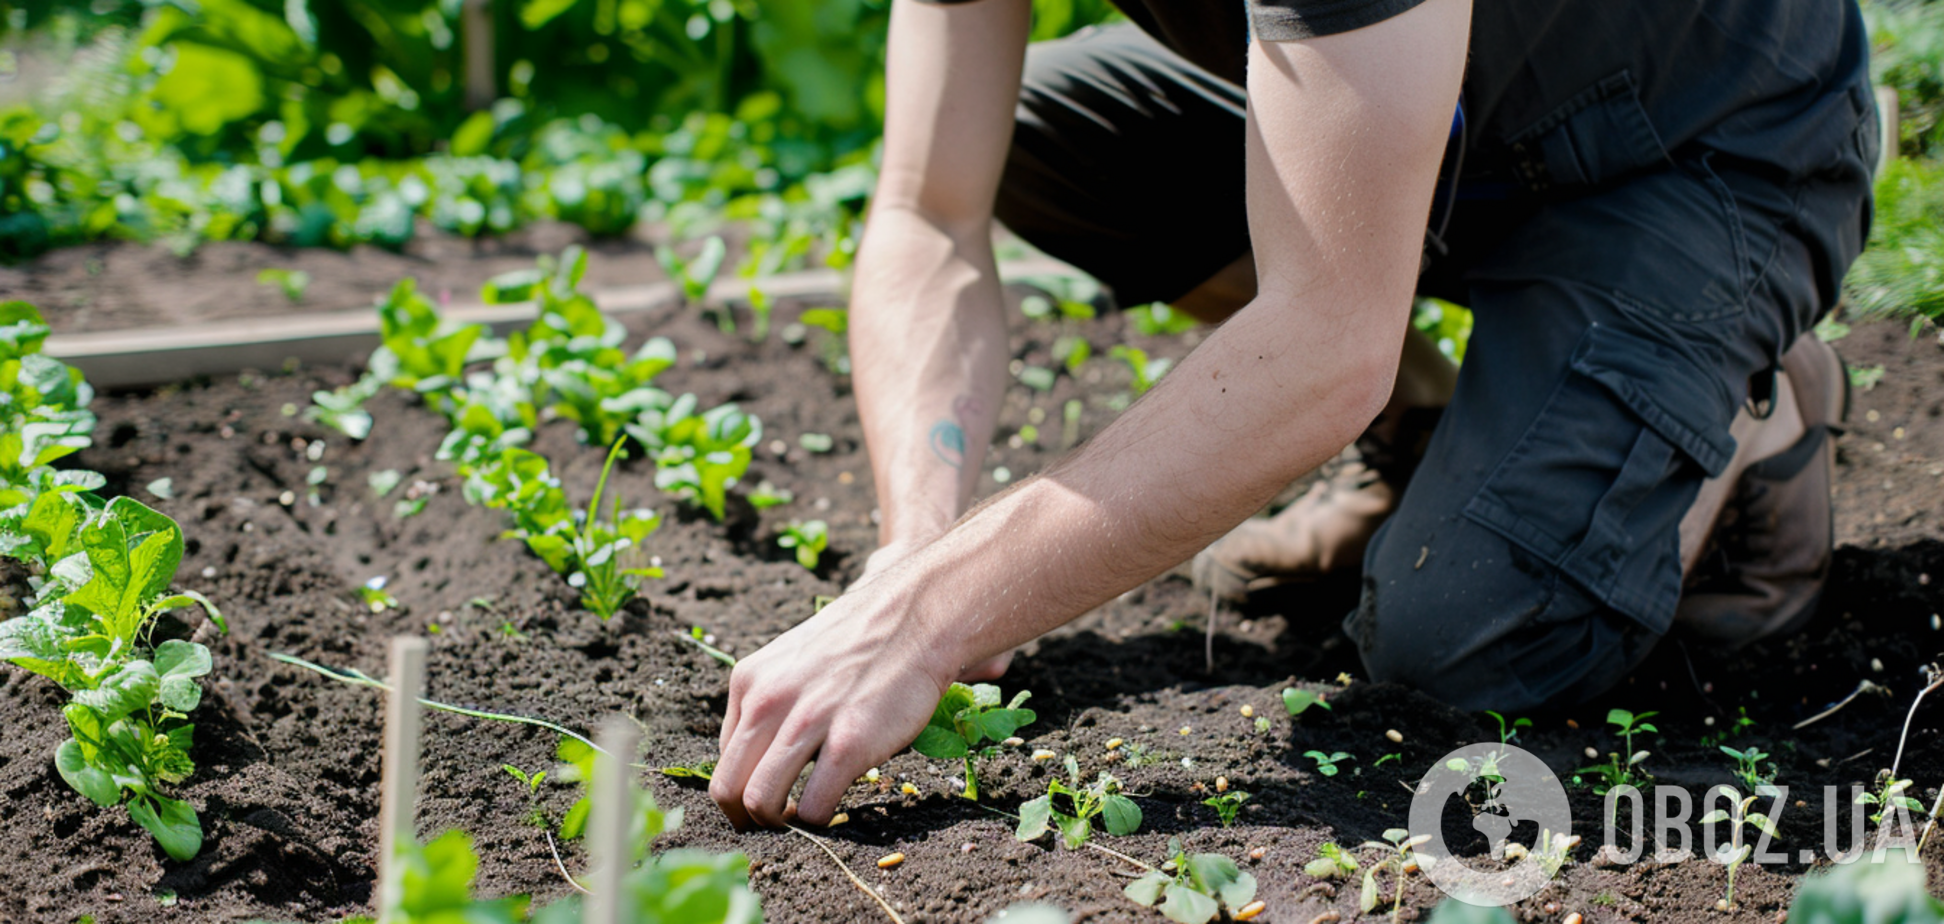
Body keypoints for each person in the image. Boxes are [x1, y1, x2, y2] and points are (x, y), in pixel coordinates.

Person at [710, 0, 1878, 829]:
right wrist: (918, 548)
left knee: (1466, 644)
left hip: (1692, 150)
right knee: (1051, 135)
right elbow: (928, 211)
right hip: (1430, 114)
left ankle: (1753, 404)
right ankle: (1437, 425)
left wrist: (930, 619)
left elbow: (1324, 343)